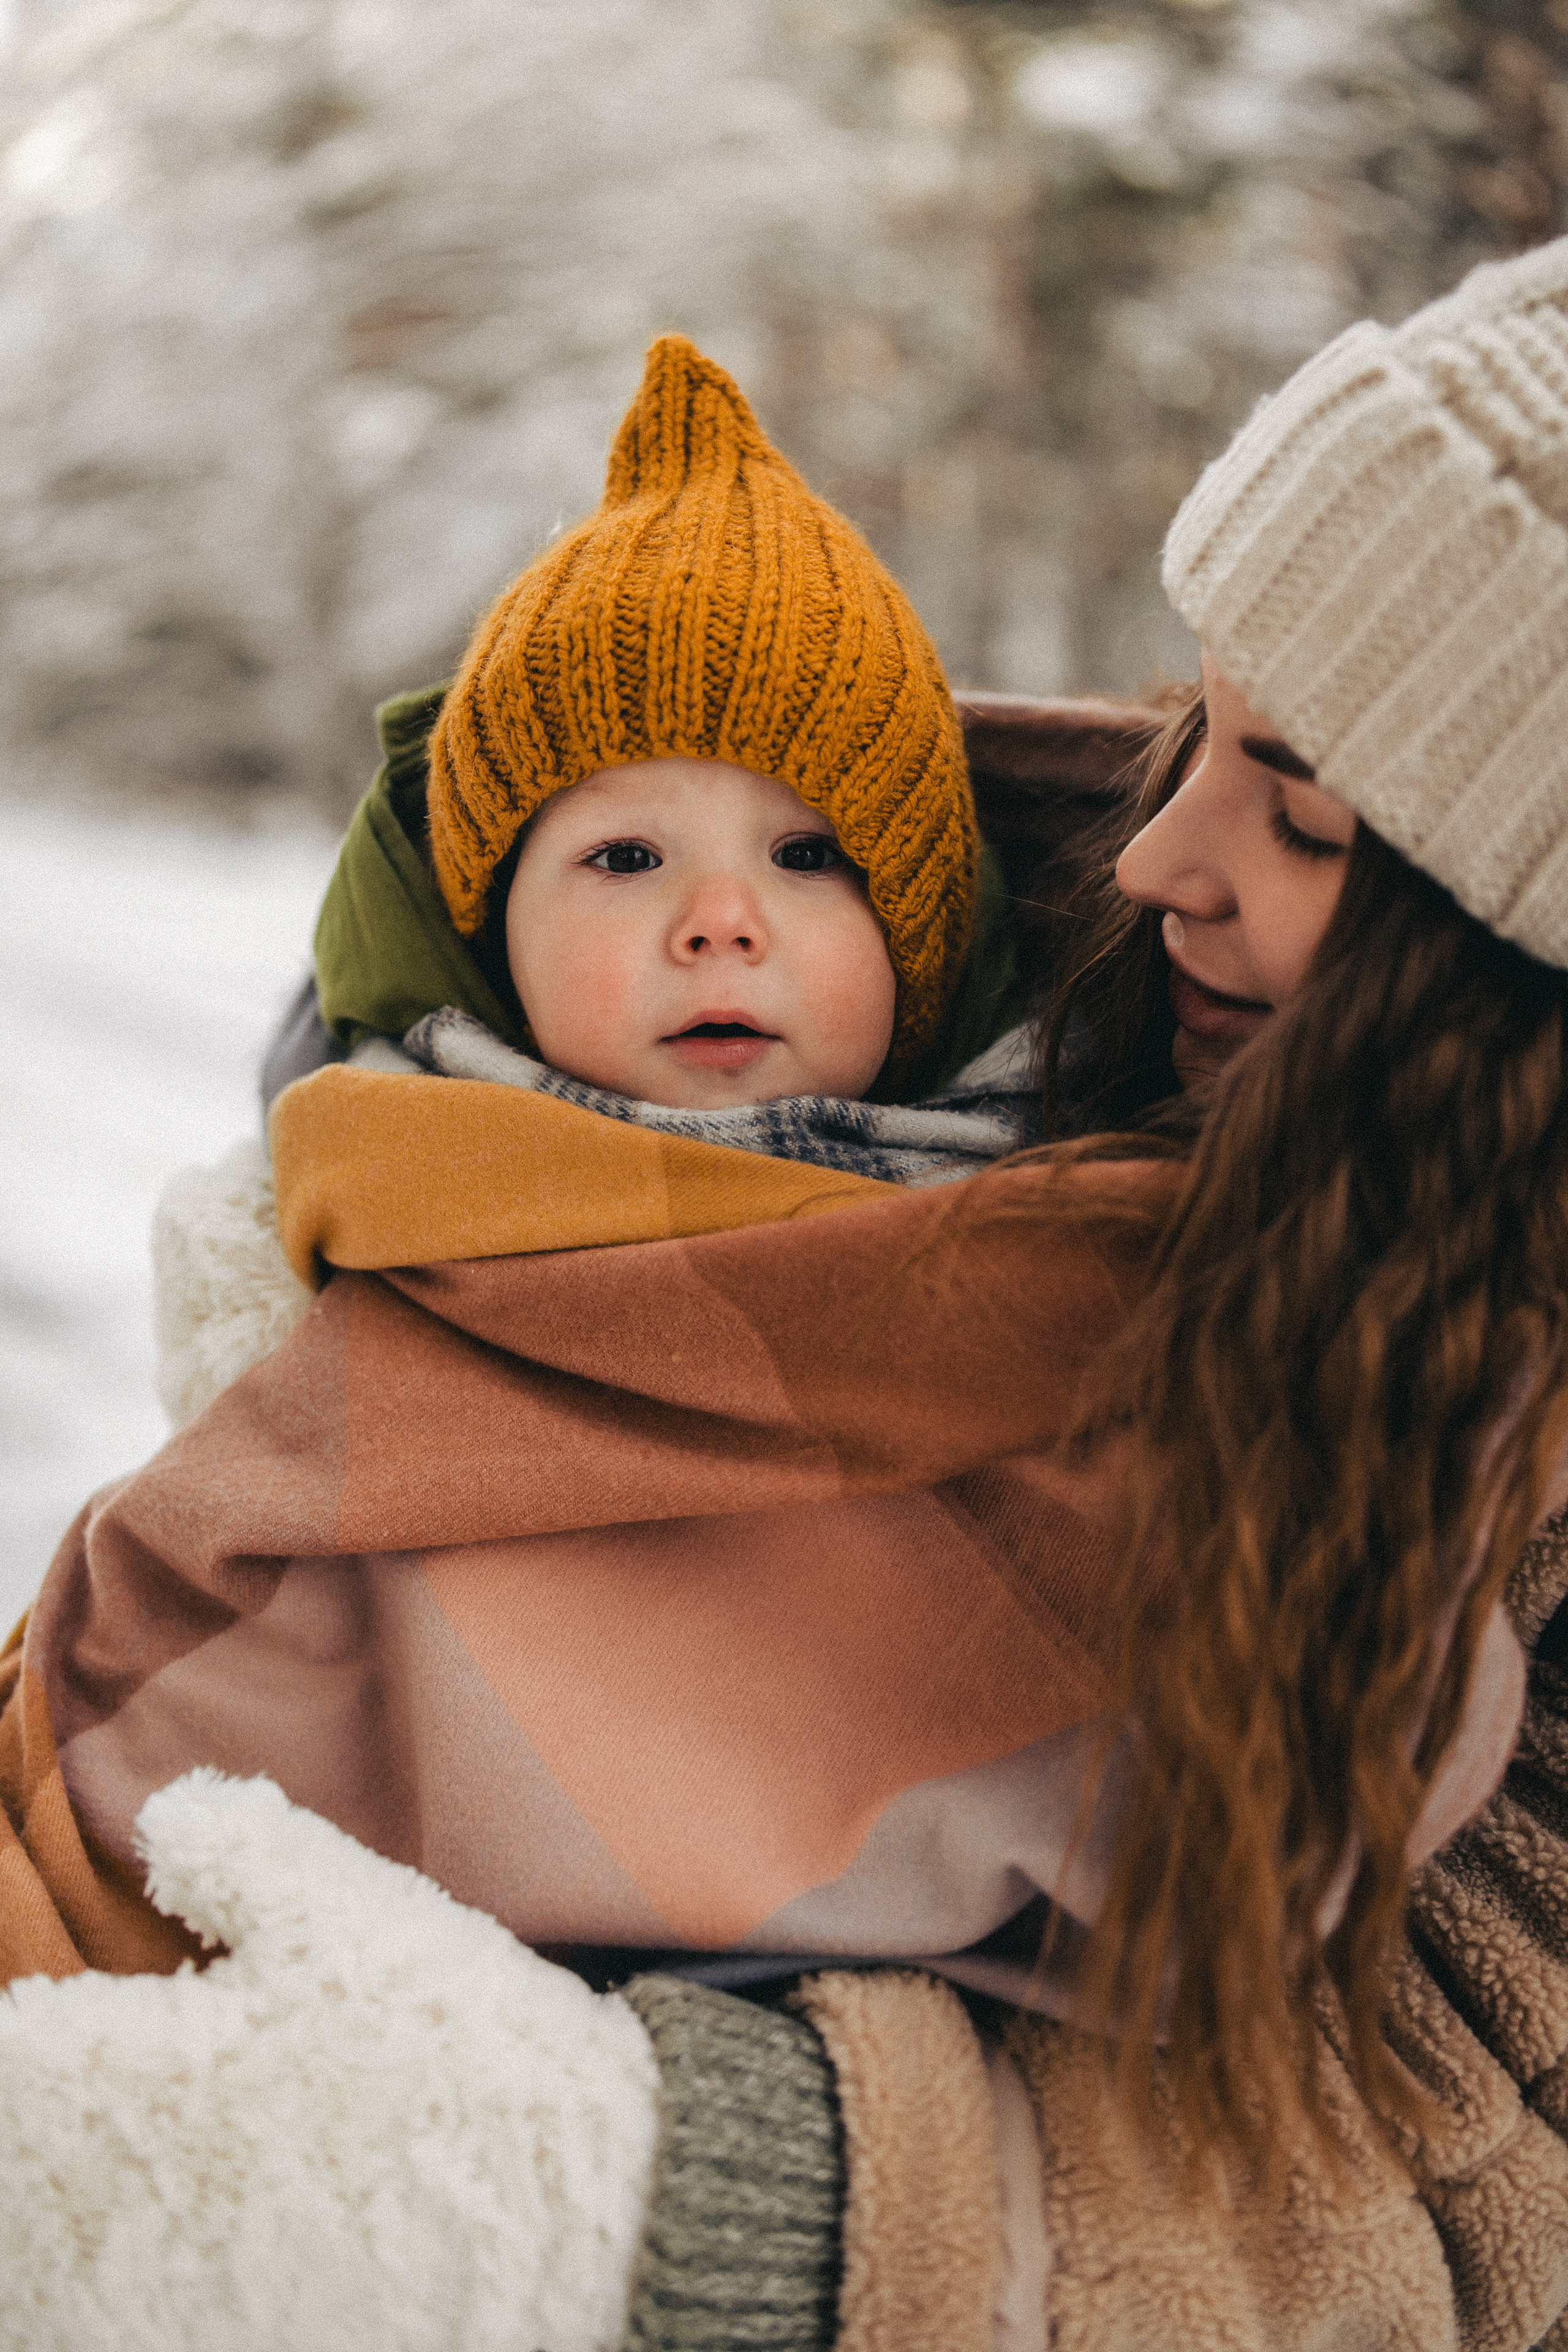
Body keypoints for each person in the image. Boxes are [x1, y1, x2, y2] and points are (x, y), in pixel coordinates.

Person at [6, 240, 1568, 2352]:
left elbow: (1472, 2160)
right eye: (1200, 722)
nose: (1146, 859)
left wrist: (647, 2168)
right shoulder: (1109, 1004)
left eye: (1299, 813)